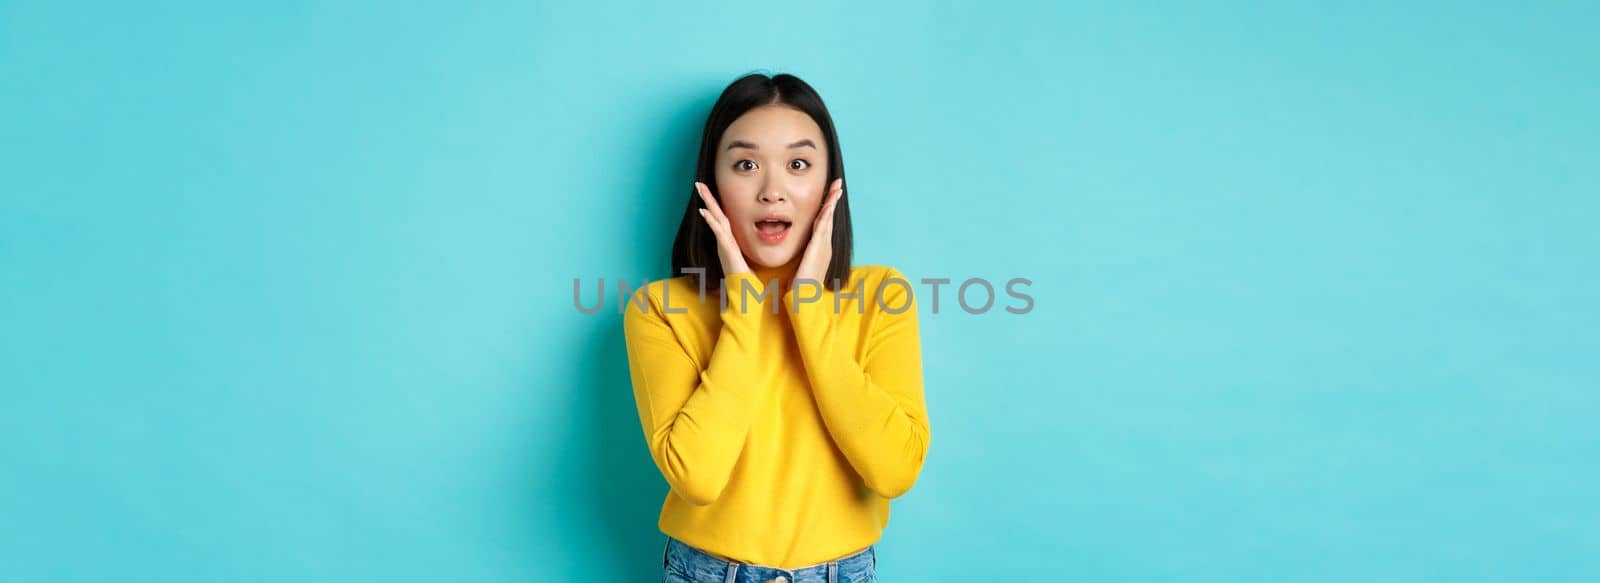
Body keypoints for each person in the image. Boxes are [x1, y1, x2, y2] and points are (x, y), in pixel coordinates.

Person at [622, 72, 931, 582]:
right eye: (746, 164)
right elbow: (697, 477)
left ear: (831, 184)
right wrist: (744, 307)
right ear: (711, 184)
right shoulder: (659, 309)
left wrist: (807, 308)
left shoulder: (882, 296)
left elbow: (894, 470)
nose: (773, 191)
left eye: (798, 164)